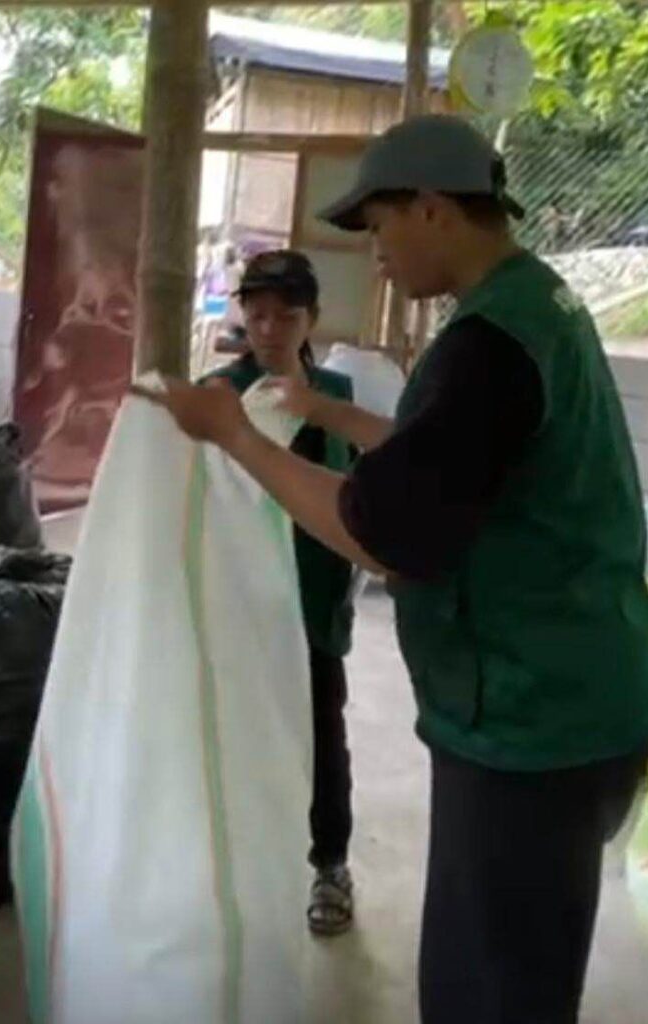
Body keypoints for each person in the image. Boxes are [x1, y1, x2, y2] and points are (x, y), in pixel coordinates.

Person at [134, 114, 648, 1024]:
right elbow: (448, 464)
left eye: (380, 225)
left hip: (533, 716)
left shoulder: (486, 345)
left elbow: (381, 532)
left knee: (488, 986)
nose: (375, 254)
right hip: (589, 687)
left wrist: (232, 433)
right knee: (526, 957)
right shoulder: (535, 303)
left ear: (430, 210)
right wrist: (317, 414)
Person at [203, 249, 359, 937]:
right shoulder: (216, 395)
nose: (269, 329)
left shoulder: (335, 400)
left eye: (286, 315)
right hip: (235, 596)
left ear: (311, 319)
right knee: (231, 731)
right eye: (257, 313)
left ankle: (330, 864)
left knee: (322, 731)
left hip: (315, 598)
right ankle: (230, 866)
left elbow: (353, 499)